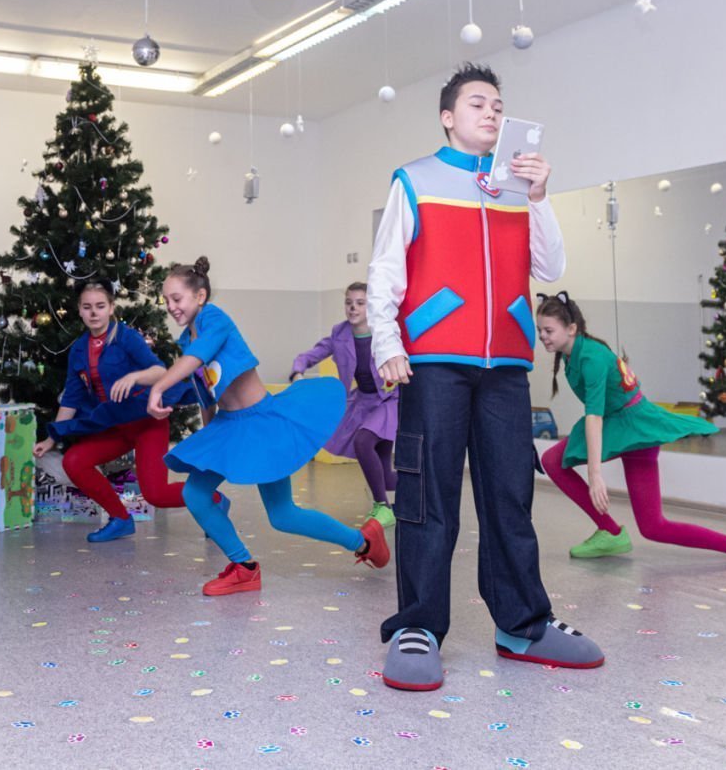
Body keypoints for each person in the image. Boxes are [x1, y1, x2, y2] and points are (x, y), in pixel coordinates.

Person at [368, 63, 603, 694]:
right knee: (428, 495)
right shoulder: (415, 179)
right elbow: (386, 268)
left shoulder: (516, 188)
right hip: (434, 359)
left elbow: (549, 267)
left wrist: (539, 196)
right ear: (448, 117)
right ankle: (418, 627)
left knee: (509, 495)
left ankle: (522, 625)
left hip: (506, 363)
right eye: (478, 104)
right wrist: (387, 342)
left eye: (498, 105)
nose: (492, 113)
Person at [145, 257, 389, 596]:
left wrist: (158, 387)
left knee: (283, 515)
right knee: (195, 493)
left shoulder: (214, 318)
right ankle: (243, 567)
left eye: (177, 298)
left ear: (200, 296)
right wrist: (210, 441)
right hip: (228, 426)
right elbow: (206, 394)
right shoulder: (187, 339)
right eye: (166, 300)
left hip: (261, 425)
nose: (171, 306)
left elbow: (197, 358)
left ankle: (363, 541)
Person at [535, 294, 726, 561]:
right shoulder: (571, 355)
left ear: (571, 328)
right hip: (618, 424)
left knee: (653, 528)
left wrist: (595, 475)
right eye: (540, 330)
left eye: (548, 330)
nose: (542, 336)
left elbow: (594, 417)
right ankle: (610, 531)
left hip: (634, 428)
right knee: (552, 460)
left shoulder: (591, 357)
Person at [31, 281, 184, 542]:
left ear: (111, 308)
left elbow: (160, 371)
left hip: (147, 422)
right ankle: (120, 519)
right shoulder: (79, 349)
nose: (94, 313)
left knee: (156, 495)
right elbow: (71, 398)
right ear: (79, 310)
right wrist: (51, 439)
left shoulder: (127, 337)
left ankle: (212, 500)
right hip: (116, 427)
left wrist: (134, 377)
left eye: (100, 306)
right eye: (87, 307)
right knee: (74, 461)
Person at [292, 282, 398, 528]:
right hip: (363, 402)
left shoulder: (385, 331)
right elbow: (312, 354)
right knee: (385, 477)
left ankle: (383, 507)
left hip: (389, 401)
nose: (353, 308)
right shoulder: (340, 333)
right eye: (349, 303)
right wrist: (298, 370)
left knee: (363, 442)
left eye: (360, 303)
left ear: (371, 307)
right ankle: (423, 485)